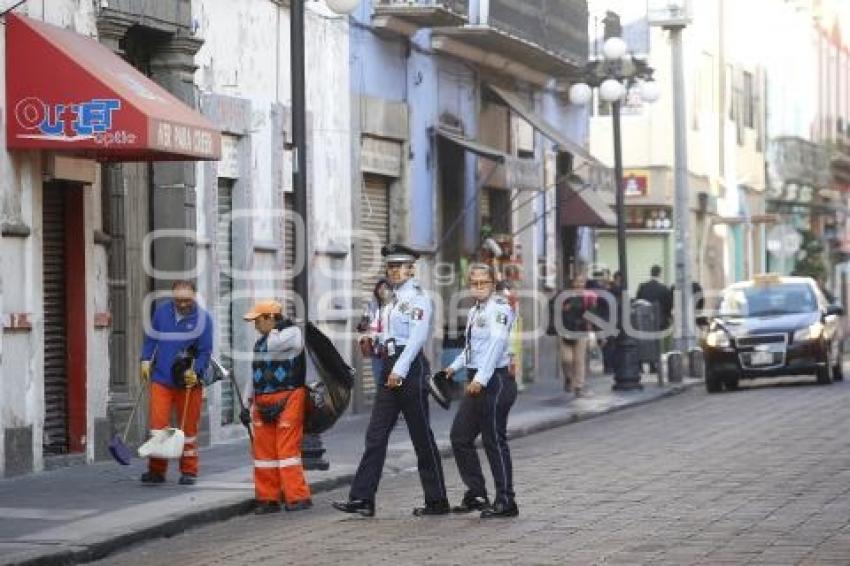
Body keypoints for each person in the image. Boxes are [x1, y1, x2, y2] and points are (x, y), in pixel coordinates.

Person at [333, 244, 448, 517]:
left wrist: (401, 369)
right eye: (391, 267)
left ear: (411, 269)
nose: (394, 271)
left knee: (421, 437)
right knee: (376, 435)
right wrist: (373, 341)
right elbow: (387, 333)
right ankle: (363, 498)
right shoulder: (390, 300)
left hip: (408, 369)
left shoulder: (418, 298)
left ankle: (437, 500)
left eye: (400, 267)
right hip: (388, 365)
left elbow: (418, 337)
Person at [443, 263, 518, 518]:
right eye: (473, 283)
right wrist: (452, 368)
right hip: (478, 379)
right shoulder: (476, 311)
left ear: (493, 284)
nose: (478, 287)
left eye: (483, 283)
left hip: (495, 381)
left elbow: (497, 345)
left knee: (493, 440)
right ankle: (476, 493)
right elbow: (472, 349)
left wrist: (482, 379)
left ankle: (506, 500)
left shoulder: (499, 309)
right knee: (460, 437)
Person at [139, 280, 213, 486]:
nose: (182, 304)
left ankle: (189, 470)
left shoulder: (204, 320)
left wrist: (196, 371)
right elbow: (151, 340)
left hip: (188, 381)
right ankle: (156, 471)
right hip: (162, 378)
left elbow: (205, 352)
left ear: (194, 296)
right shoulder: (162, 313)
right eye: (178, 300)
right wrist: (145, 359)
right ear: (173, 297)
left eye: (186, 300)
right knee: (158, 428)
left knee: (187, 429)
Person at [242, 300, 312, 514]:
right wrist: (246, 402)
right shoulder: (261, 341)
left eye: (258, 320)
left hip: (289, 397)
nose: (255, 325)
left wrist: (278, 325)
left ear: (270, 318)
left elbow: (275, 344)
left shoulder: (291, 334)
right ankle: (268, 498)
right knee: (263, 452)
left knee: (287, 449)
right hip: (263, 399)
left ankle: (297, 496)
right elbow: (255, 373)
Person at [559, 274, 596, 397]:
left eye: (582, 282)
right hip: (565, 331)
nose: (580, 284)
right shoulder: (564, 295)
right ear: (572, 282)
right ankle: (568, 378)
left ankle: (578, 386)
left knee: (579, 360)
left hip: (581, 330)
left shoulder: (588, 296)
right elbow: (556, 308)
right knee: (567, 359)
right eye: (578, 281)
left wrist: (590, 326)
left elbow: (591, 313)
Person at [357, 278, 393, 388]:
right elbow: (364, 322)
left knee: (392, 381)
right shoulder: (372, 306)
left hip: (391, 350)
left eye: (385, 288)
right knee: (379, 381)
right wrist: (362, 326)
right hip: (376, 350)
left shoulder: (395, 306)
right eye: (380, 288)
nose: (382, 291)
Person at [636, 265, 673, 331]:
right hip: (660, 322)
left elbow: (638, 303)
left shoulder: (642, 287)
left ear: (651, 273)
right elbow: (669, 306)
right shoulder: (664, 289)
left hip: (645, 321)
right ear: (659, 274)